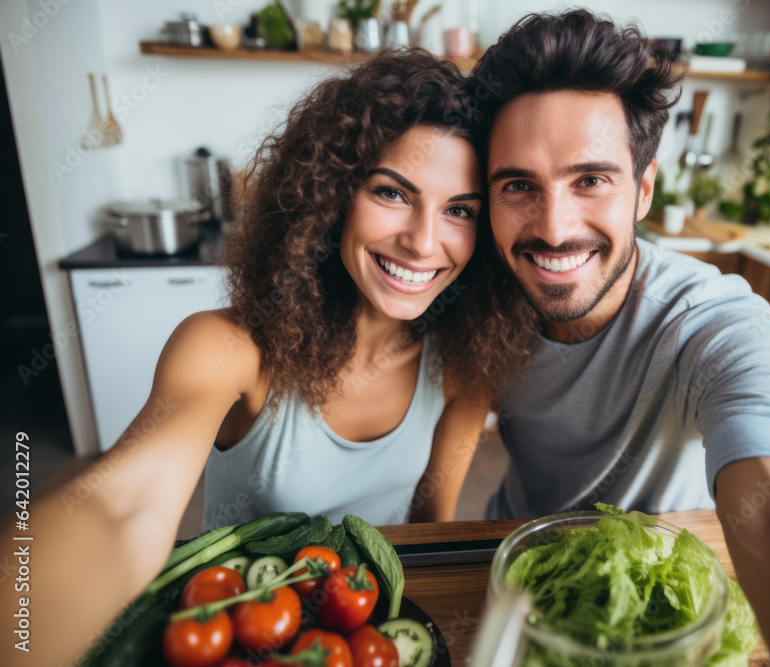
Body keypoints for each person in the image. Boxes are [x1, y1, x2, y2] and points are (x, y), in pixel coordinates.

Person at [0, 50, 534, 667]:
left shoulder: (463, 365)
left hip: (359, 635)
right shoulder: (229, 349)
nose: (422, 241)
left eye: (460, 210)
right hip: (240, 630)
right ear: (334, 196)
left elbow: (427, 526)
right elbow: (125, 506)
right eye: (392, 193)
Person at [471, 10, 770, 666]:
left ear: (644, 190)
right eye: (519, 186)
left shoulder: (711, 323)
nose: (553, 226)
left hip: (657, 598)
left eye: (591, 180)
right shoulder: (479, 295)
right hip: (513, 572)